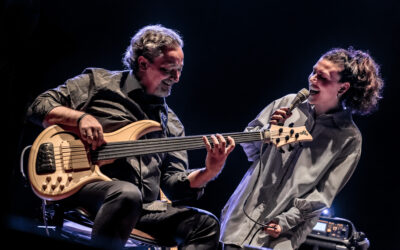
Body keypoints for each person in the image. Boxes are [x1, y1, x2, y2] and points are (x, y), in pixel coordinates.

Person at [27, 24, 235, 249]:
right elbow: (39, 106)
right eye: (168, 69)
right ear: (143, 63)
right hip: (83, 188)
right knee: (127, 194)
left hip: (142, 208)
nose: (176, 78)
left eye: (180, 69)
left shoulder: (172, 123)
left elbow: (173, 186)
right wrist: (79, 118)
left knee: (206, 224)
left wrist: (209, 172)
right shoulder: (99, 83)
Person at [220, 47, 384, 250]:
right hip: (242, 214)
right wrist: (268, 132)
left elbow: (324, 194)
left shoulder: (348, 138)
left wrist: (286, 220)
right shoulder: (288, 104)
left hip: (282, 231)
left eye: (321, 77)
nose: (312, 79)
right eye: (313, 71)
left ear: (342, 88)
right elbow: (250, 149)